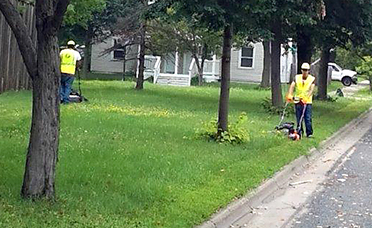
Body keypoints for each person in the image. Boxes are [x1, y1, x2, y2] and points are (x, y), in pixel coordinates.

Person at [286, 62, 316, 138]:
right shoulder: (297, 77)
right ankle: (299, 131)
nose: (304, 71)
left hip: (307, 101)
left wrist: (307, 97)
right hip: (298, 100)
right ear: (301, 70)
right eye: (303, 70)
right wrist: (290, 94)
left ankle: (309, 133)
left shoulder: (311, 79)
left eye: (306, 70)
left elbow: (311, 90)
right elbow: (292, 86)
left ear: (308, 70)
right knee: (299, 117)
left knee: (307, 118)